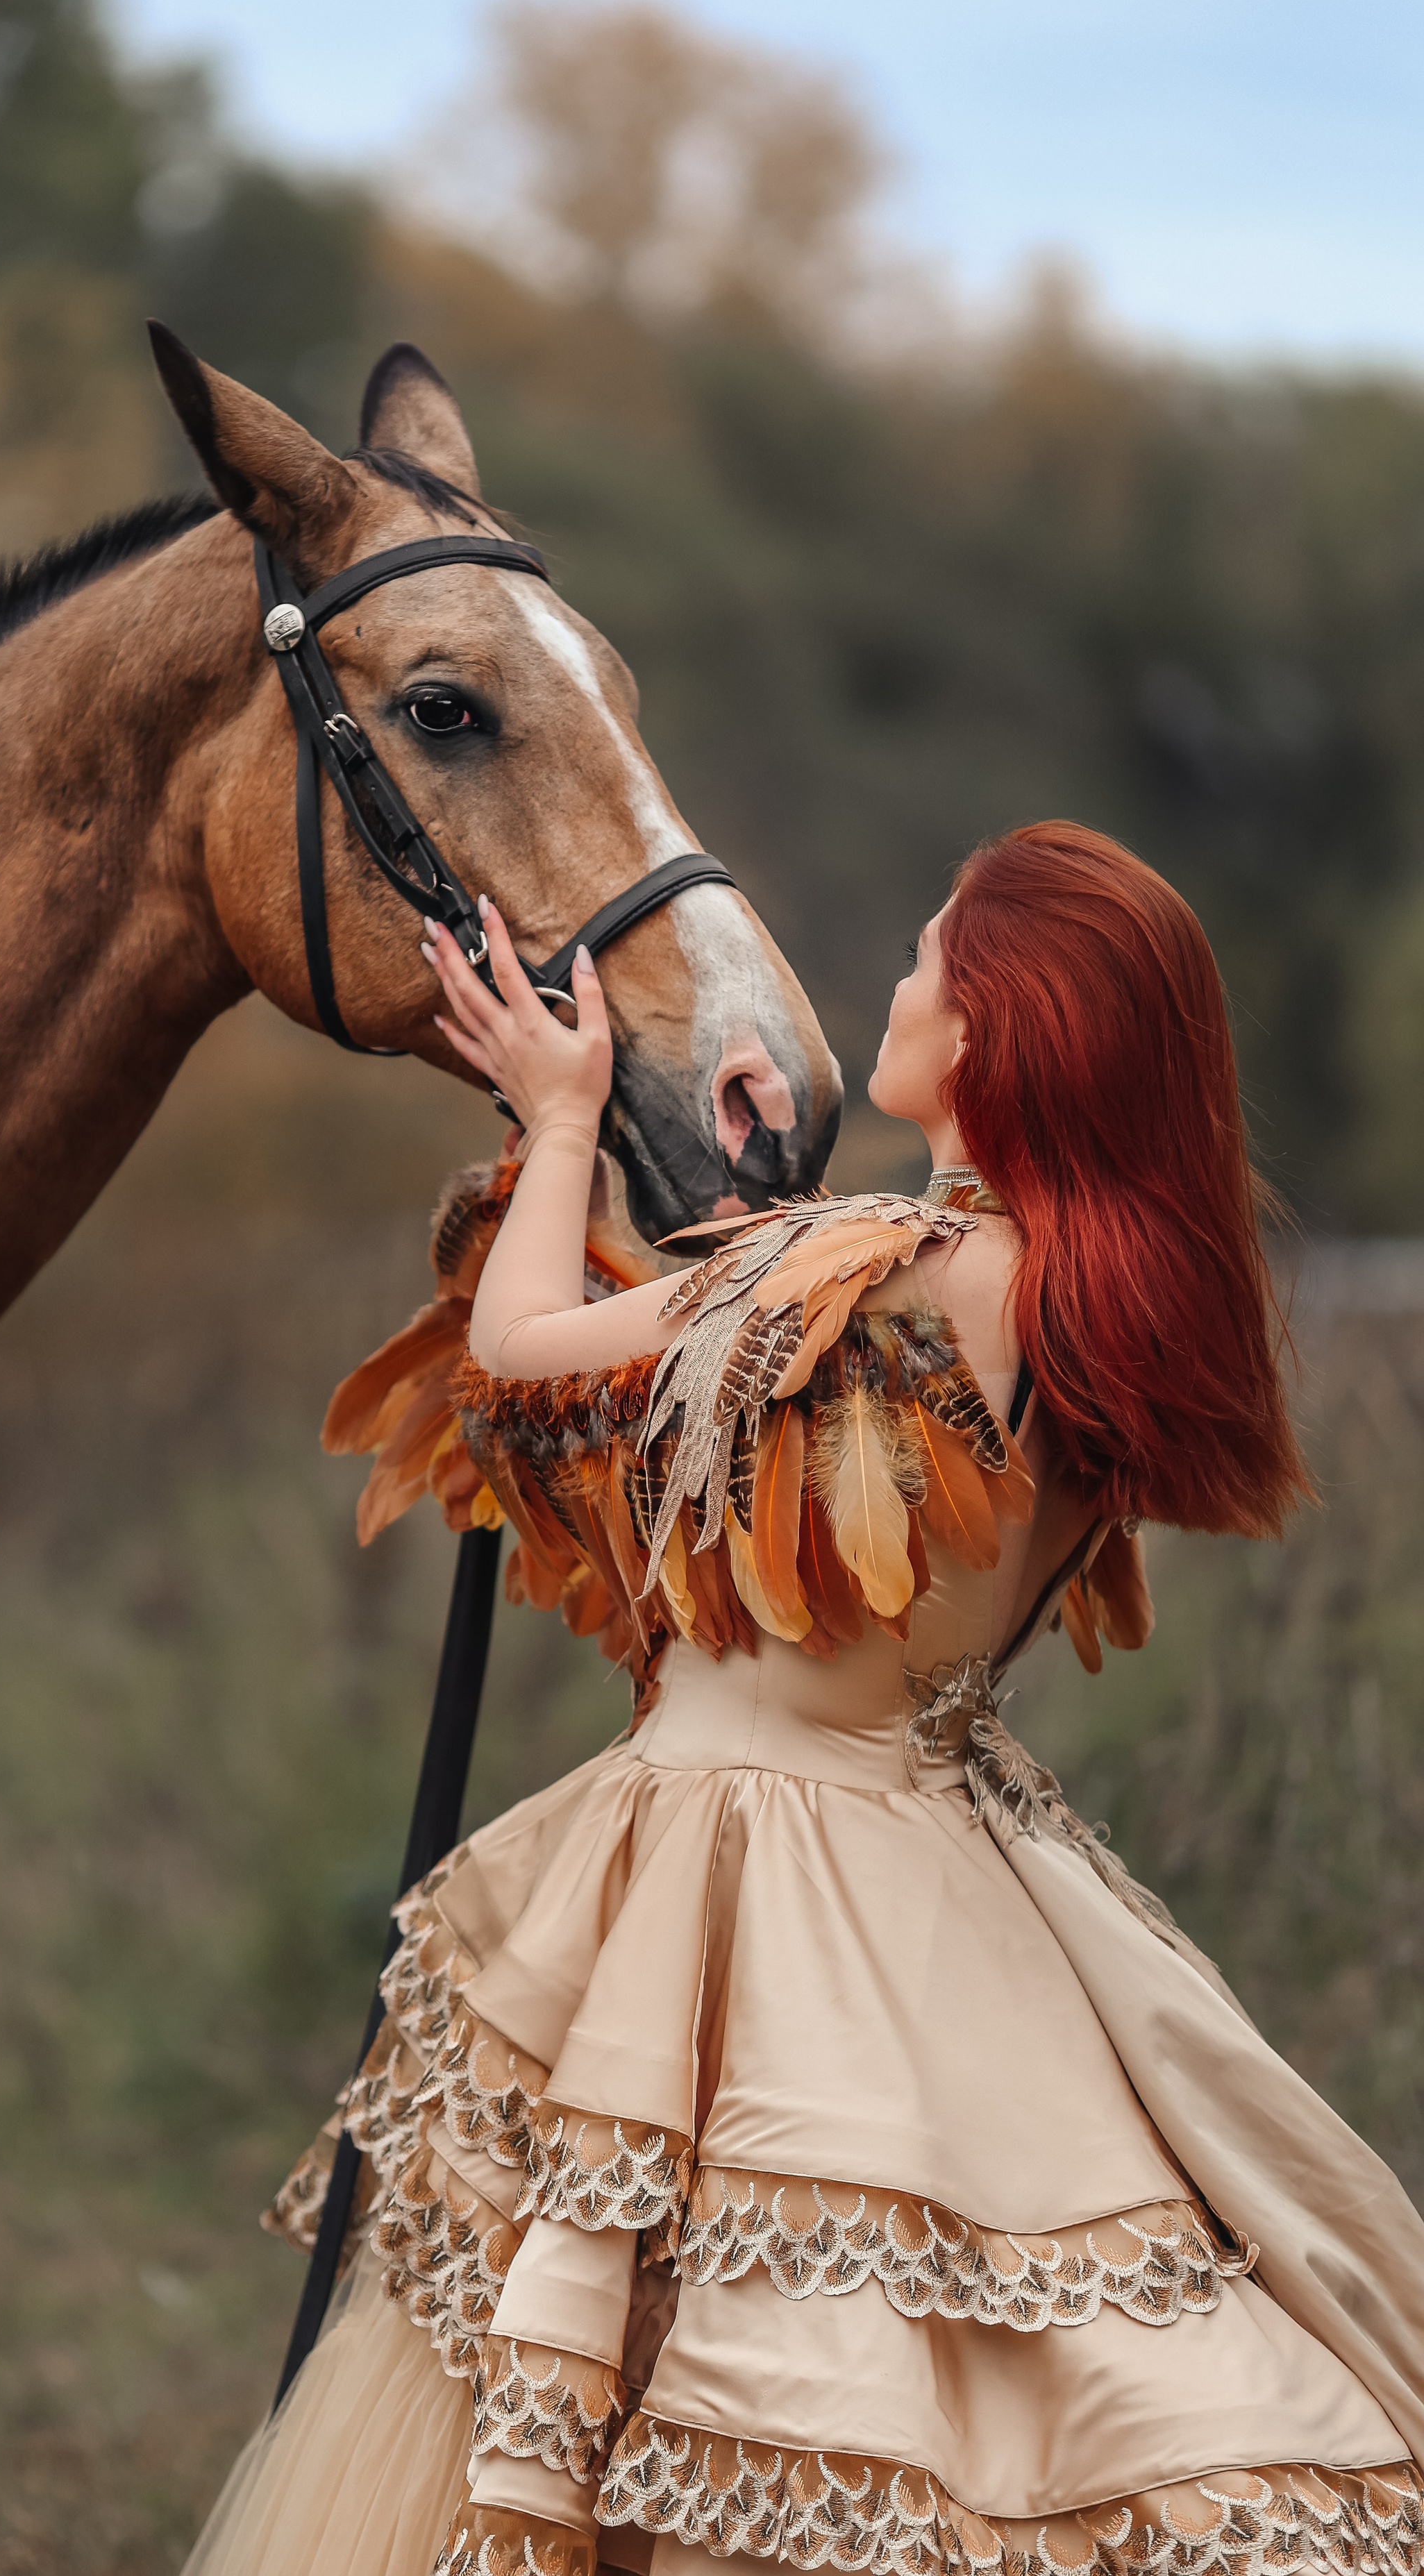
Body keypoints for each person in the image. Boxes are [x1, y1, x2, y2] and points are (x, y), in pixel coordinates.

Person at [187, 822, 1424, 2576]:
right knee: (978, 2374)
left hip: (737, 1863)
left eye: (926, 963)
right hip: (951, 1867)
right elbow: (823, 1440)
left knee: (634, 2358)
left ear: (992, 1033)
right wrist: (751, 1231)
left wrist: (555, 1122)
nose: (896, 991)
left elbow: (524, 1358)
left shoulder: (883, 1265)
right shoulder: (1081, 1303)